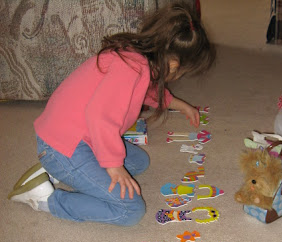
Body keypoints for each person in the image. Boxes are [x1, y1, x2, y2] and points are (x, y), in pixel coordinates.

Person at [8, 2, 215, 226]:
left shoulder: (139, 58)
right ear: (174, 65)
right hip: (63, 146)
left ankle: (60, 170)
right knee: (130, 210)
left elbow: (148, 91)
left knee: (139, 162)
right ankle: (45, 199)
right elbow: (100, 116)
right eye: (182, 72)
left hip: (76, 137)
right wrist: (113, 165)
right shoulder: (131, 68)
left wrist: (179, 104)